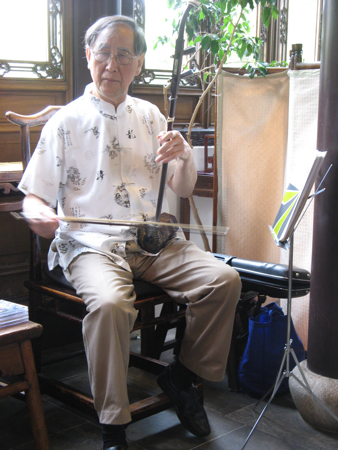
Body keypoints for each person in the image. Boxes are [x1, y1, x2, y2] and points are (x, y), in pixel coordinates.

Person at [19, 15, 241, 450]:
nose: (112, 64)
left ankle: (182, 375)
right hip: (90, 244)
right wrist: (38, 215)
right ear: (88, 57)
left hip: (151, 240)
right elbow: (33, 197)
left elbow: (181, 187)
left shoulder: (153, 115)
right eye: (103, 52)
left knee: (223, 280)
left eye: (124, 55)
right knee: (110, 305)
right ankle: (113, 425)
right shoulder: (65, 122)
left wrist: (183, 156)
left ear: (138, 63)